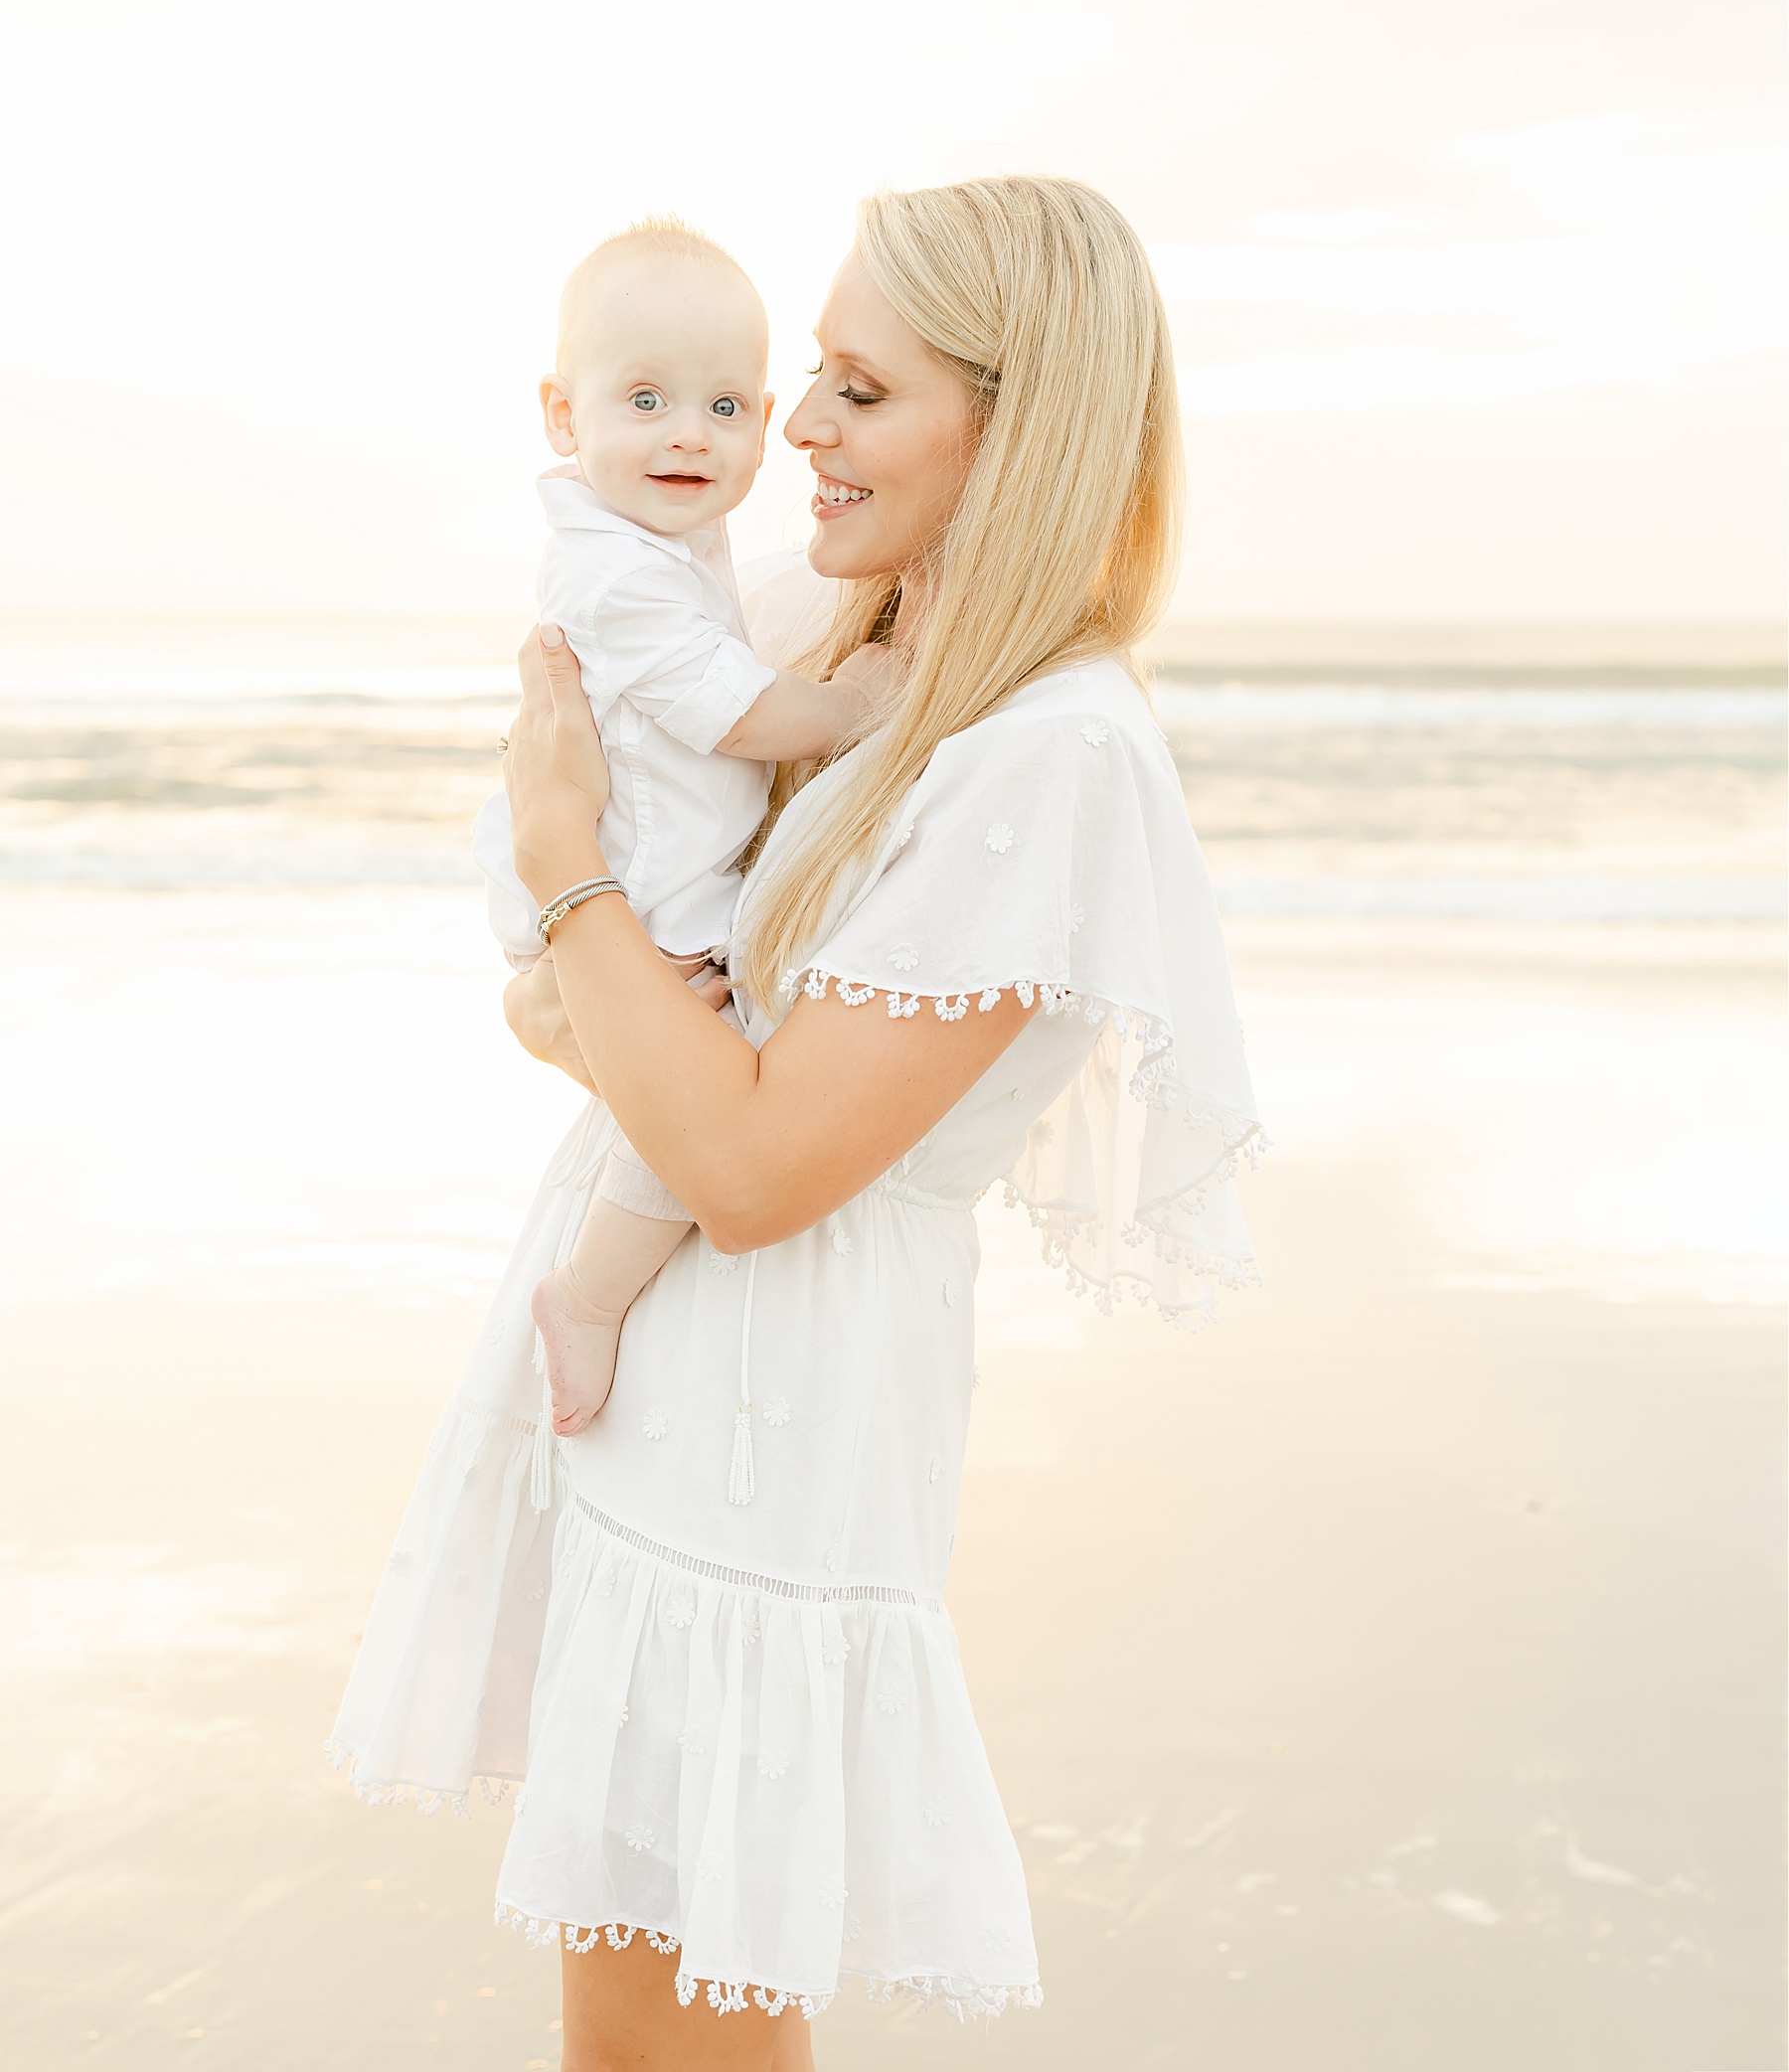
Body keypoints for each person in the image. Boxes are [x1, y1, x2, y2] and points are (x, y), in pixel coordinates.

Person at [330, 175, 1261, 2071]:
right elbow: (581, 996)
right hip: (641, 1365)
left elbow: (752, 1164)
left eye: (852, 388)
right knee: (629, 2016)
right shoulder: (805, 631)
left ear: (1017, 423)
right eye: (802, 385)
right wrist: (569, 954)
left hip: (777, 1415)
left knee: (683, 2028)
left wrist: (561, 865)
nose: (793, 436)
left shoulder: (1050, 748)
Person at [472, 220, 893, 1444]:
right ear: (563, 415)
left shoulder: (669, 543)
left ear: (763, 423)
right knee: (721, 1066)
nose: (686, 435)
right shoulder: (614, 573)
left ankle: (594, 1284)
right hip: (648, 887)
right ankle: (593, 1295)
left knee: (706, 1067)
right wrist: (853, 704)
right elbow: (734, 713)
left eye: (721, 407)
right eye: (644, 399)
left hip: (653, 869)